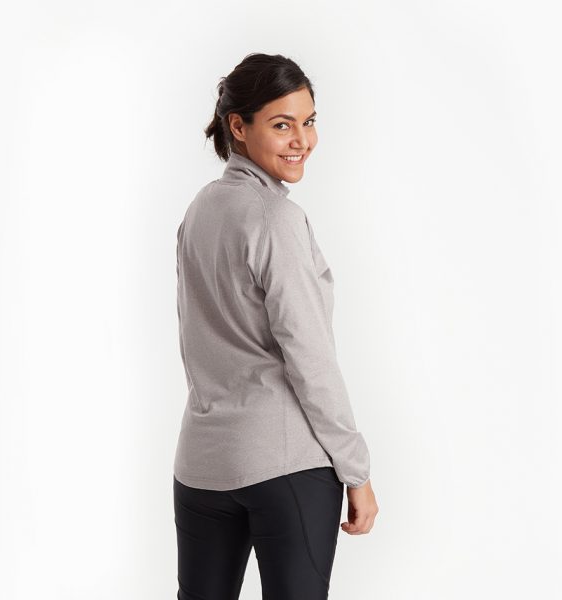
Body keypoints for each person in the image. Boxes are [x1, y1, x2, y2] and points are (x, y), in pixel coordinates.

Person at [173, 52, 379, 600]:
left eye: (308, 122)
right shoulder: (275, 218)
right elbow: (310, 358)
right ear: (238, 127)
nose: (302, 141)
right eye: (282, 125)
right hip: (285, 465)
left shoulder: (200, 210)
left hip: (202, 464)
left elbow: (195, 338)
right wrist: (356, 470)